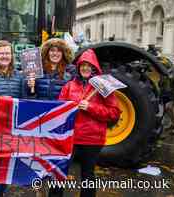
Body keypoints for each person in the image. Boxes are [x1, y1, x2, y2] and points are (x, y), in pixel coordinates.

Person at [57, 49, 121, 197]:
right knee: (59, 173)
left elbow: (114, 113)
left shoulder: (103, 88)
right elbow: (60, 109)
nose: (85, 68)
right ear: (78, 67)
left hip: (92, 139)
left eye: (89, 65)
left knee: (88, 176)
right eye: (82, 65)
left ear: (94, 68)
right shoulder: (69, 86)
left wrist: (91, 107)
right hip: (70, 137)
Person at [0, 40, 27, 197]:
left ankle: (1, 193)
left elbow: (25, 99)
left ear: (12, 56)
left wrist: (32, 87)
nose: (4, 56)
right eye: (1, 53)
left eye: (7, 53)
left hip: (12, 129)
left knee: (8, 167)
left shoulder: (20, 75)